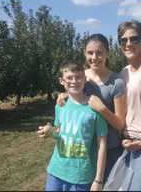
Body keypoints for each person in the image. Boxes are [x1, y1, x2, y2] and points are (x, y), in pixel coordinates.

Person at [57, 34, 127, 182]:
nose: (94, 57)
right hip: (83, 150)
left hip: (109, 150)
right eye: (90, 52)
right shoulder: (81, 78)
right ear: (84, 53)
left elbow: (120, 124)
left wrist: (102, 109)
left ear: (107, 53)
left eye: (99, 52)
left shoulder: (116, 83)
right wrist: (64, 95)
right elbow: (73, 93)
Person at [37, 59, 108, 191]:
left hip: (81, 176)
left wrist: (98, 179)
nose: (74, 81)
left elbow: (102, 144)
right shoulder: (60, 105)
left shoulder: (95, 108)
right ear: (61, 81)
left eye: (78, 77)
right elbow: (59, 131)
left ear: (85, 79)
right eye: (69, 78)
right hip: (56, 171)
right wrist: (49, 131)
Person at [104, 20, 141, 191]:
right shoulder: (123, 73)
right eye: (123, 40)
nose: (128, 44)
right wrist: (68, 94)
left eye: (134, 39)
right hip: (125, 145)